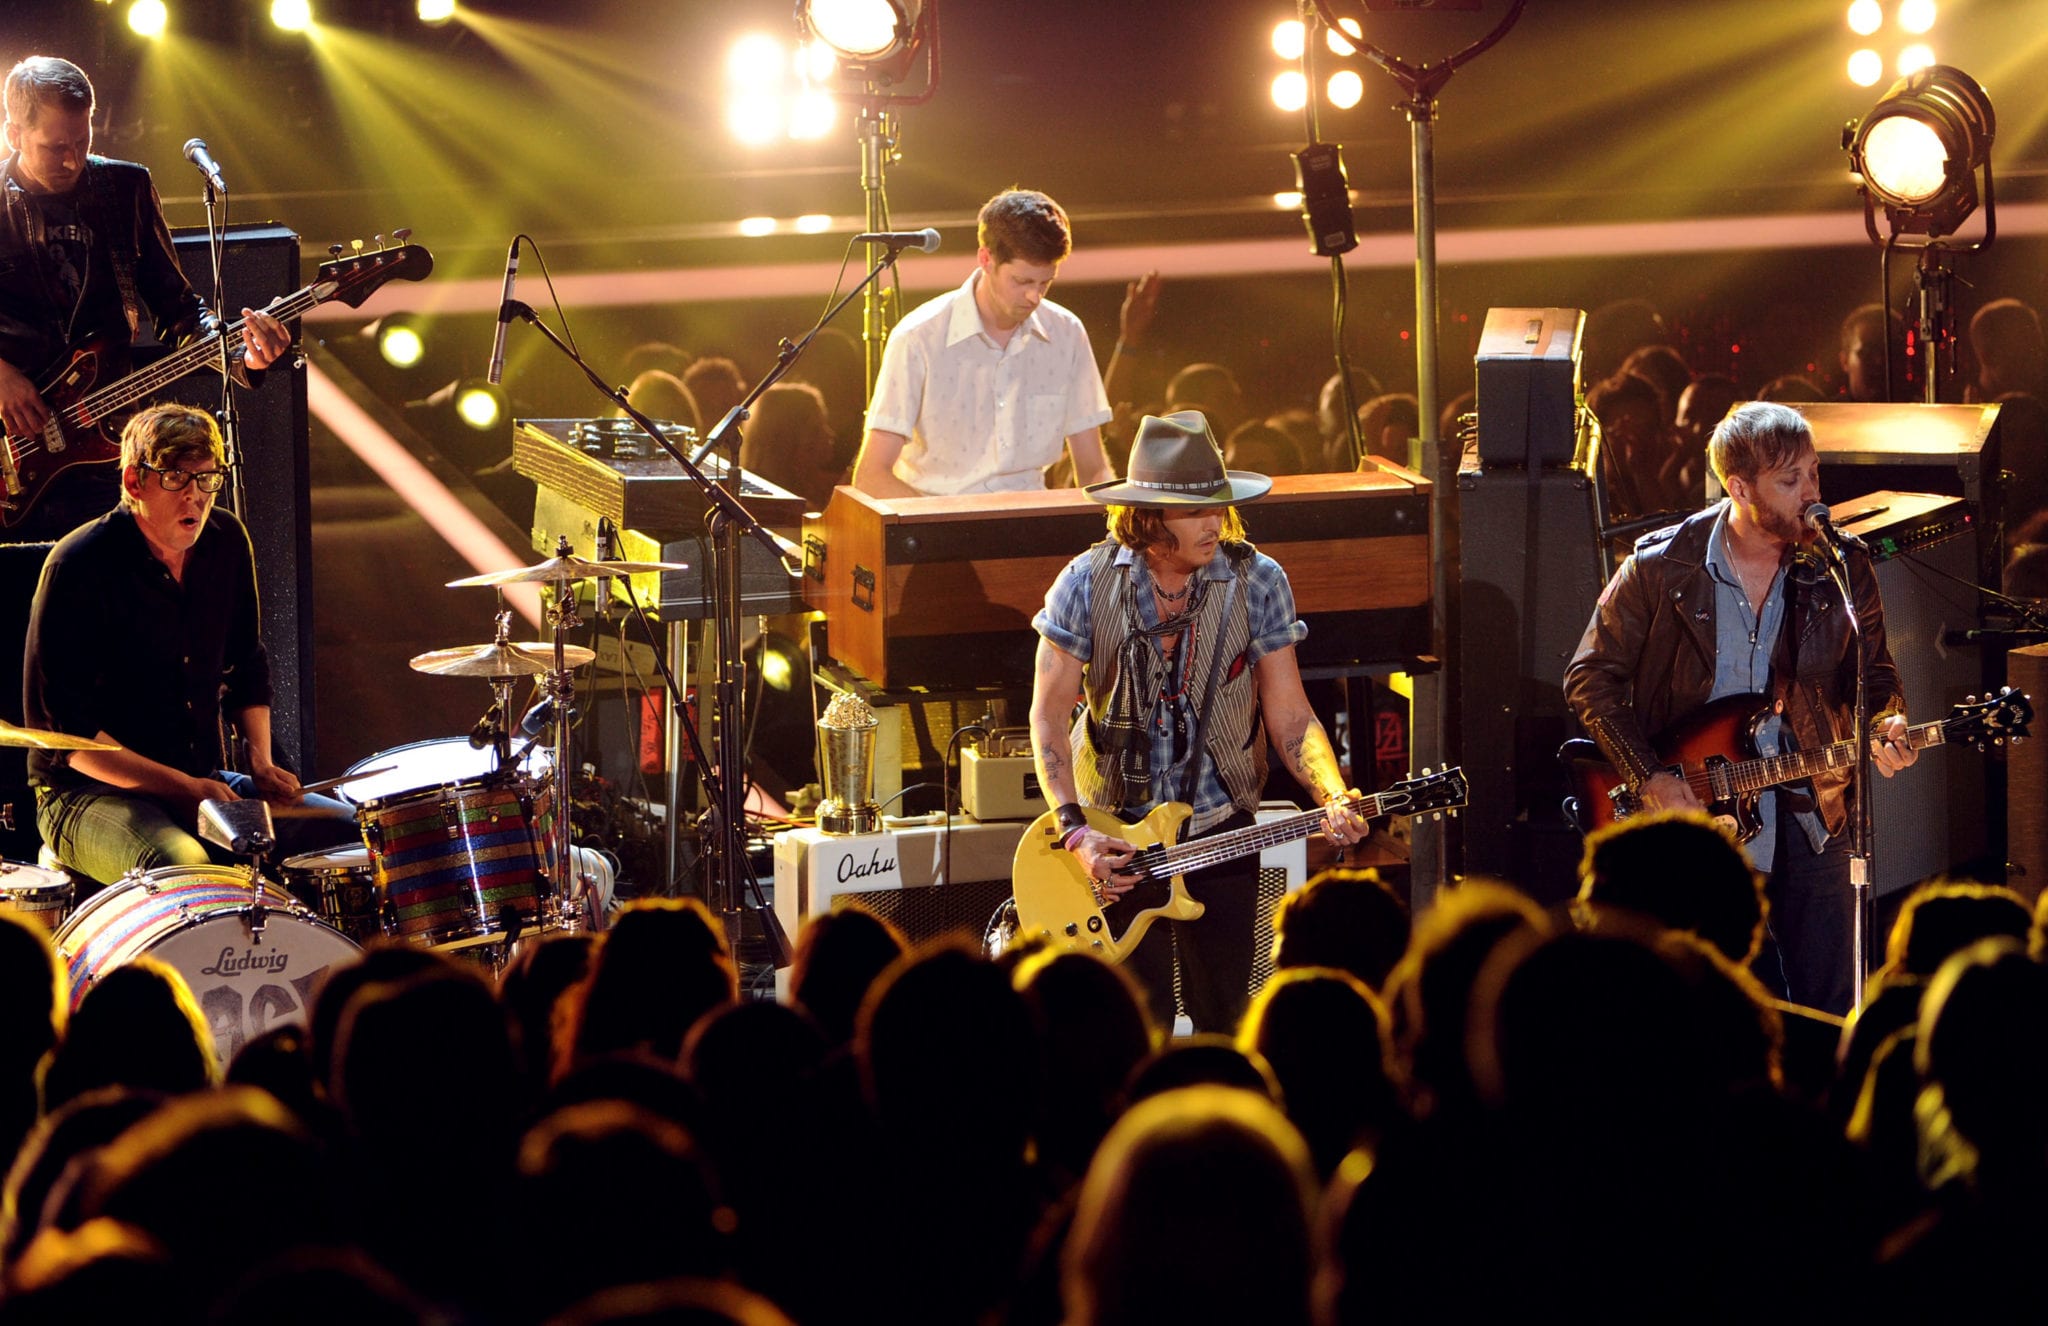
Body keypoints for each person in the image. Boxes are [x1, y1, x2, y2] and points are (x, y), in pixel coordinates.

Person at [1564, 401, 1916, 1016]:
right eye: (1790, 480)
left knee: (1832, 1007)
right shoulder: (1660, 566)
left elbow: (1874, 672)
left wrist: (1888, 718)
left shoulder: (1842, 564)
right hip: (1701, 822)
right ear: (1740, 488)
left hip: (1814, 811)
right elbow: (1589, 676)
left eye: (1814, 473)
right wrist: (1648, 775)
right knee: (1702, 1007)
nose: (1813, 495)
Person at [1029, 411, 1368, 1032]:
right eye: (1194, 511)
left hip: (1219, 825)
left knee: (1227, 1015)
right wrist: (1075, 833)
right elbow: (1048, 717)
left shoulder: (1256, 581)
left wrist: (1332, 792)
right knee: (1136, 1026)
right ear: (1147, 516)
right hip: (1115, 837)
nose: (1214, 522)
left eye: (1218, 506)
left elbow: (1292, 715)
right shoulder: (1083, 582)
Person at [23, 403, 349, 887]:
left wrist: (260, 763)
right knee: (185, 868)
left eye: (206, 479)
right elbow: (70, 738)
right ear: (134, 482)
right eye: (176, 479)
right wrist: (185, 789)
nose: (195, 497)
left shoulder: (226, 541)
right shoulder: (78, 564)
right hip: (86, 794)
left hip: (200, 780)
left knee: (347, 833)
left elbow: (246, 665)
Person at [1, 56, 292, 538]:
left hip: (108, 448)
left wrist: (244, 357)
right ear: (14, 134)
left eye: (82, 141)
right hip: (13, 453)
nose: (72, 160)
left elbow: (179, 313)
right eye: (55, 148)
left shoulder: (124, 189)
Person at [852, 187, 1114, 497]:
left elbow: (1093, 469)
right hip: (938, 517)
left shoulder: (1067, 333)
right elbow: (871, 475)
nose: (1035, 296)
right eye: (1022, 281)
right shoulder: (918, 337)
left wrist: (1119, 521)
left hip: (1032, 517)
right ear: (985, 259)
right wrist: (936, 522)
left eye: (1046, 282)